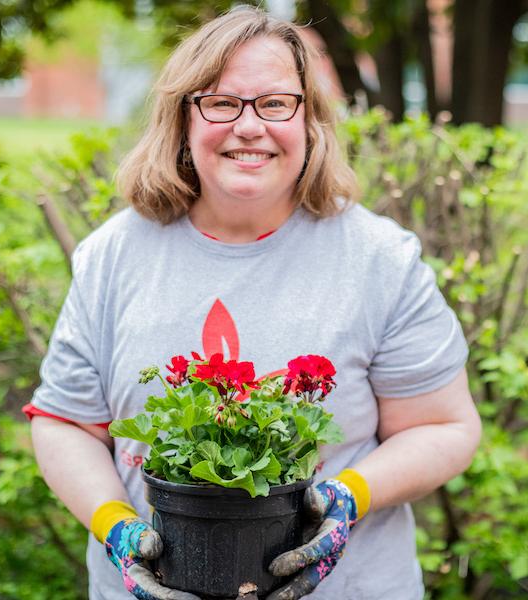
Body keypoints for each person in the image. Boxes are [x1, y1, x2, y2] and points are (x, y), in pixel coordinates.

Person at [24, 6, 481, 600]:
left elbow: (444, 426)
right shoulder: (114, 255)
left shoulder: (378, 259)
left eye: (274, 103)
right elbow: (66, 424)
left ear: (309, 120)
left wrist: (346, 498)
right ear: (182, 118)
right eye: (220, 102)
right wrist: (115, 526)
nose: (249, 126)